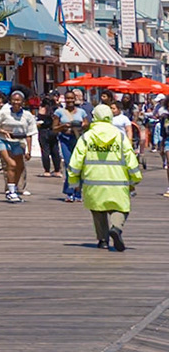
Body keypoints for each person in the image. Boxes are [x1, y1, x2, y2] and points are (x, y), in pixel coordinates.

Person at [68, 103, 143, 250]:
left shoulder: (86, 137)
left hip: (93, 181)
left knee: (98, 209)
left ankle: (102, 240)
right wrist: (135, 178)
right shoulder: (119, 136)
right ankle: (116, 228)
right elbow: (130, 158)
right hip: (118, 180)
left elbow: (76, 161)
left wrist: (73, 181)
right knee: (121, 208)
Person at [0, 89, 38, 203]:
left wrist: (29, 151)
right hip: (3, 140)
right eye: (14, 100)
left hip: (18, 141)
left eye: (18, 100)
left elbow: (29, 134)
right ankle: (11, 192)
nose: (16, 102)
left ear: (23, 102)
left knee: (20, 167)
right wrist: (3, 131)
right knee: (11, 164)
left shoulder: (27, 115)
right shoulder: (3, 113)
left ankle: (13, 188)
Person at [55, 90, 89, 203]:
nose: (70, 100)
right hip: (65, 139)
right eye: (67, 98)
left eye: (71, 98)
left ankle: (78, 192)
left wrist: (81, 125)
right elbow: (54, 128)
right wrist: (64, 126)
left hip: (78, 139)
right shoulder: (59, 112)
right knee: (69, 165)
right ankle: (69, 192)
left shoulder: (81, 112)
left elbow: (87, 124)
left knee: (79, 165)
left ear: (75, 99)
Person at [35, 92, 62, 178]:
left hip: (43, 131)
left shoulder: (42, 109)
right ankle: (57, 170)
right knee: (55, 151)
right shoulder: (56, 110)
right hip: (53, 131)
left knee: (45, 151)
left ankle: (47, 171)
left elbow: (39, 121)